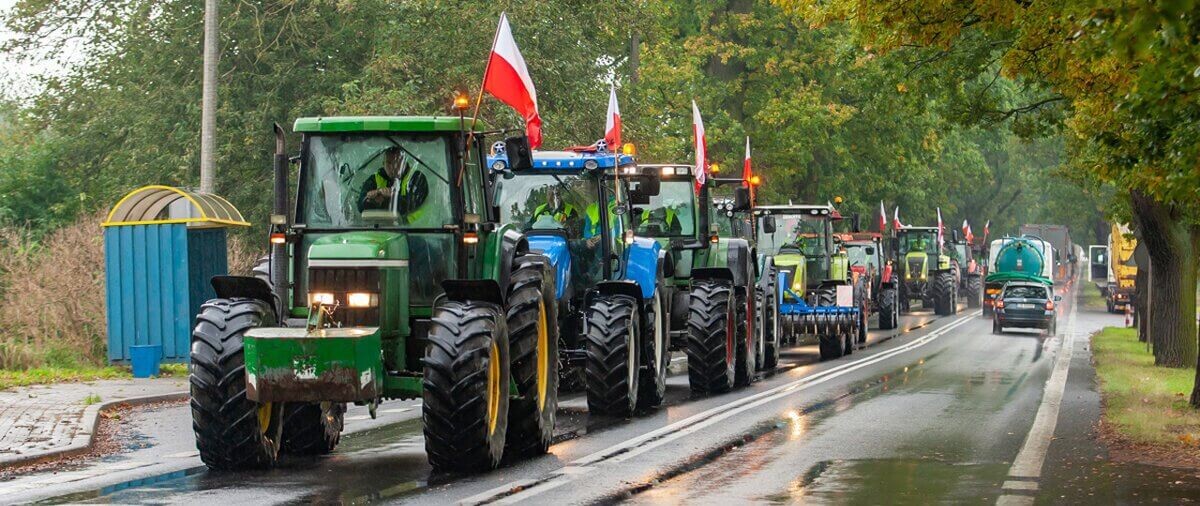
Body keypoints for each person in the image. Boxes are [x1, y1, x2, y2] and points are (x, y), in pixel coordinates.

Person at [358, 147, 428, 218]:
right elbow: (361, 206)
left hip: (415, 227)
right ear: (383, 164)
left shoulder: (417, 177)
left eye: (398, 162)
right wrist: (371, 199)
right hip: (379, 228)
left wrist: (391, 197)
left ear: (404, 163)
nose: (393, 167)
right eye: (389, 163)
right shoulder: (374, 179)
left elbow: (414, 203)